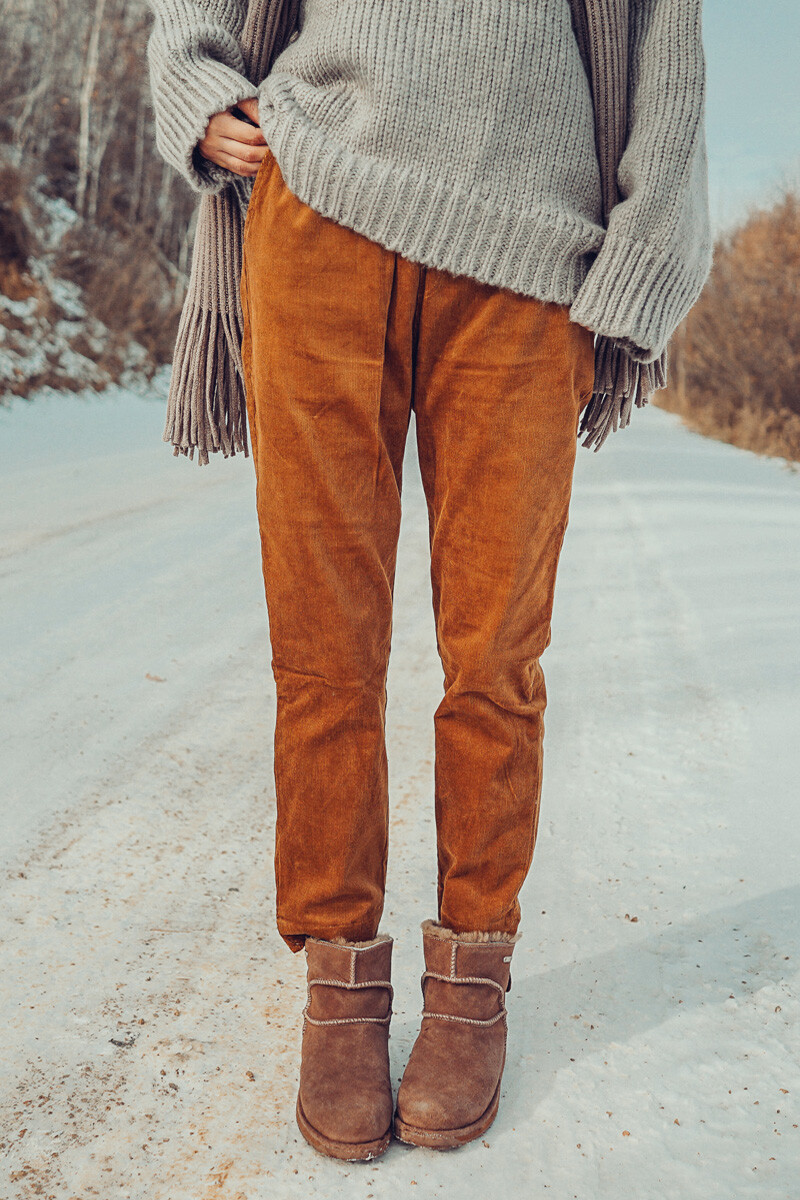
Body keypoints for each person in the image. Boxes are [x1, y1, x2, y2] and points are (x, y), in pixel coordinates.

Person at [145, 0, 712, 1162]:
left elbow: (662, 42)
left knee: (496, 651)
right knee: (322, 650)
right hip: (316, 215)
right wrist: (191, 83)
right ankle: (339, 979)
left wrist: (644, 240)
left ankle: (471, 974)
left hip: (525, 258)